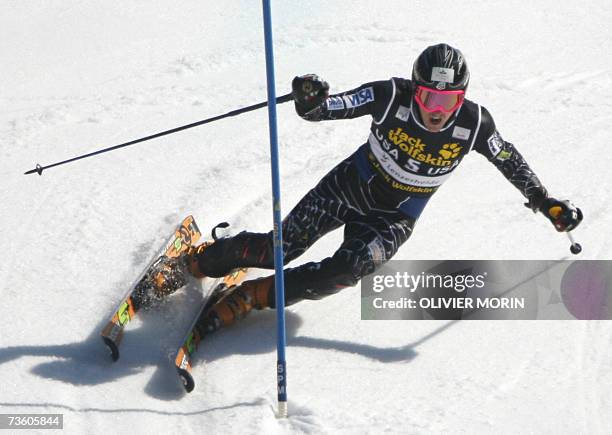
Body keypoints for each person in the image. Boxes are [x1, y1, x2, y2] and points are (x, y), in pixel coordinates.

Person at [165, 43, 583, 335]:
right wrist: (312, 102)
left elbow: (507, 158)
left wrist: (544, 201)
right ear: (414, 87)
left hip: (395, 218)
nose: (436, 112)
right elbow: (331, 107)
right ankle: (200, 263)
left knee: (346, 271)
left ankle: (253, 297)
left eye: (447, 101)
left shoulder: (474, 123)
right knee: (280, 248)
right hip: (350, 187)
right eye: (428, 98)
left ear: (463, 98)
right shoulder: (389, 96)